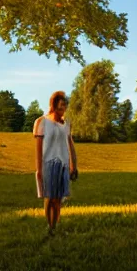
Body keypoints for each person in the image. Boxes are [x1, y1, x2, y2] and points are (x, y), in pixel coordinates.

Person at [33, 91, 78, 235]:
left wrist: (74, 165)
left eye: (64, 106)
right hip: (48, 163)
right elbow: (38, 149)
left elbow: (70, 145)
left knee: (59, 199)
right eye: (60, 107)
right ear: (53, 106)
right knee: (50, 197)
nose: (63, 109)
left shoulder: (66, 124)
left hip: (63, 164)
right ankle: (49, 226)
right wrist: (38, 169)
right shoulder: (42, 122)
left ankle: (55, 227)